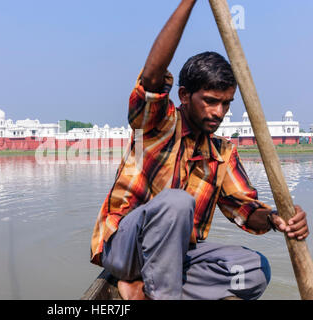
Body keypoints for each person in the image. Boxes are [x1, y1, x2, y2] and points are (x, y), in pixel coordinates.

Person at [90, 0, 309, 300]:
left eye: (226, 103)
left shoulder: (223, 153)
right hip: (126, 248)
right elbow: (152, 78)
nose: (219, 112)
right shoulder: (159, 125)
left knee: (255, 271)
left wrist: (275, 219)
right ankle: (157, 290)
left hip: (176, 257)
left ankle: (146, 289)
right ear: (184, 95)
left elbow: (245, 210)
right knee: (178, 203)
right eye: (210, 100)